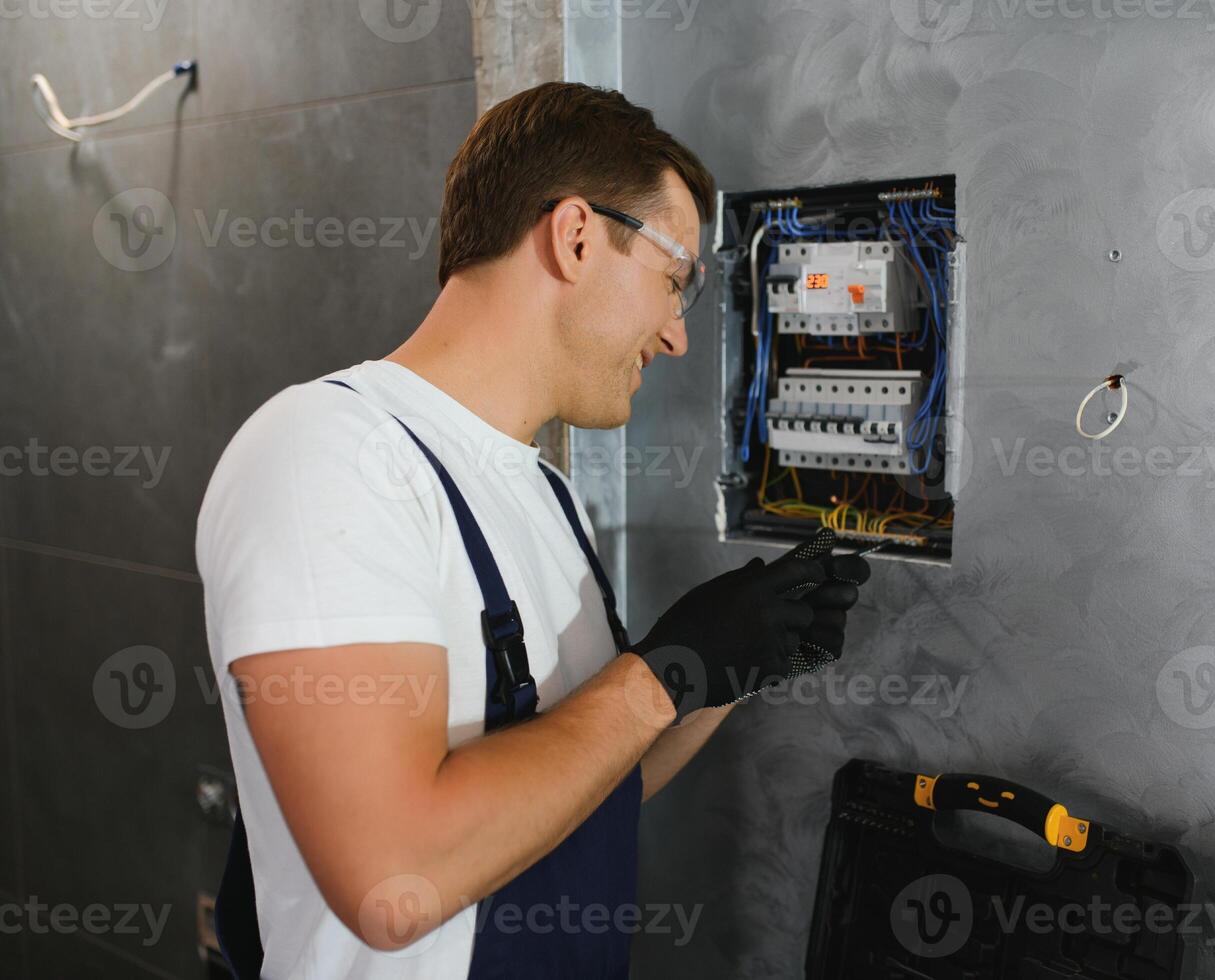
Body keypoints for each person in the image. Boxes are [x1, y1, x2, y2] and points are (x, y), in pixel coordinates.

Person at [195, 81, 870, 979]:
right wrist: (667, 672)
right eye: (676, 282)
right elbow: (393, 880)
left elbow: (585, 781)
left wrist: (737, 664)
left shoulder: (544, 492)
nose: (675, 336)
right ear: (577, 237)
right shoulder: (329, 456)